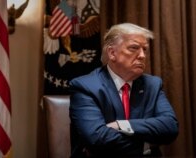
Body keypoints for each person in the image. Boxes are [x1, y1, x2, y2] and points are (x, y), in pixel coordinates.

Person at [69, 23, 179, 157]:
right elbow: (97, 139)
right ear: (112, 53)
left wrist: (121, 125)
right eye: (134, 48)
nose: (142, 55)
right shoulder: (85, 86)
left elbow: (170, 127)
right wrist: (147, 144)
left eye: (145, 49)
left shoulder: (153, 84)